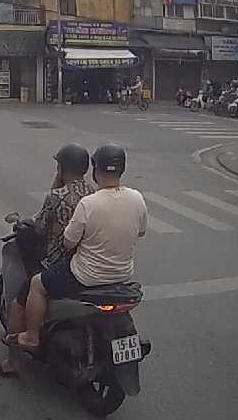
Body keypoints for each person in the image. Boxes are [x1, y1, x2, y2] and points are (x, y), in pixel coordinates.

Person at [13, 144, 146, 351]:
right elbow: (141, 232)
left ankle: (31, 336)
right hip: (122, 274)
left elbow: (68, 241)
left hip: (86, 275)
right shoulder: (136, 198)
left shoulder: (89, 203)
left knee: (37, 284)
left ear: (95, 169)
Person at [0, 144, 94, 377]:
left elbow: (39, 228)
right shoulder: (94, 195)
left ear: (61, 168)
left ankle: (14, 360)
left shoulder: (56, 196)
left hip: (59, 264)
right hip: (89, 262)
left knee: (21, 299)